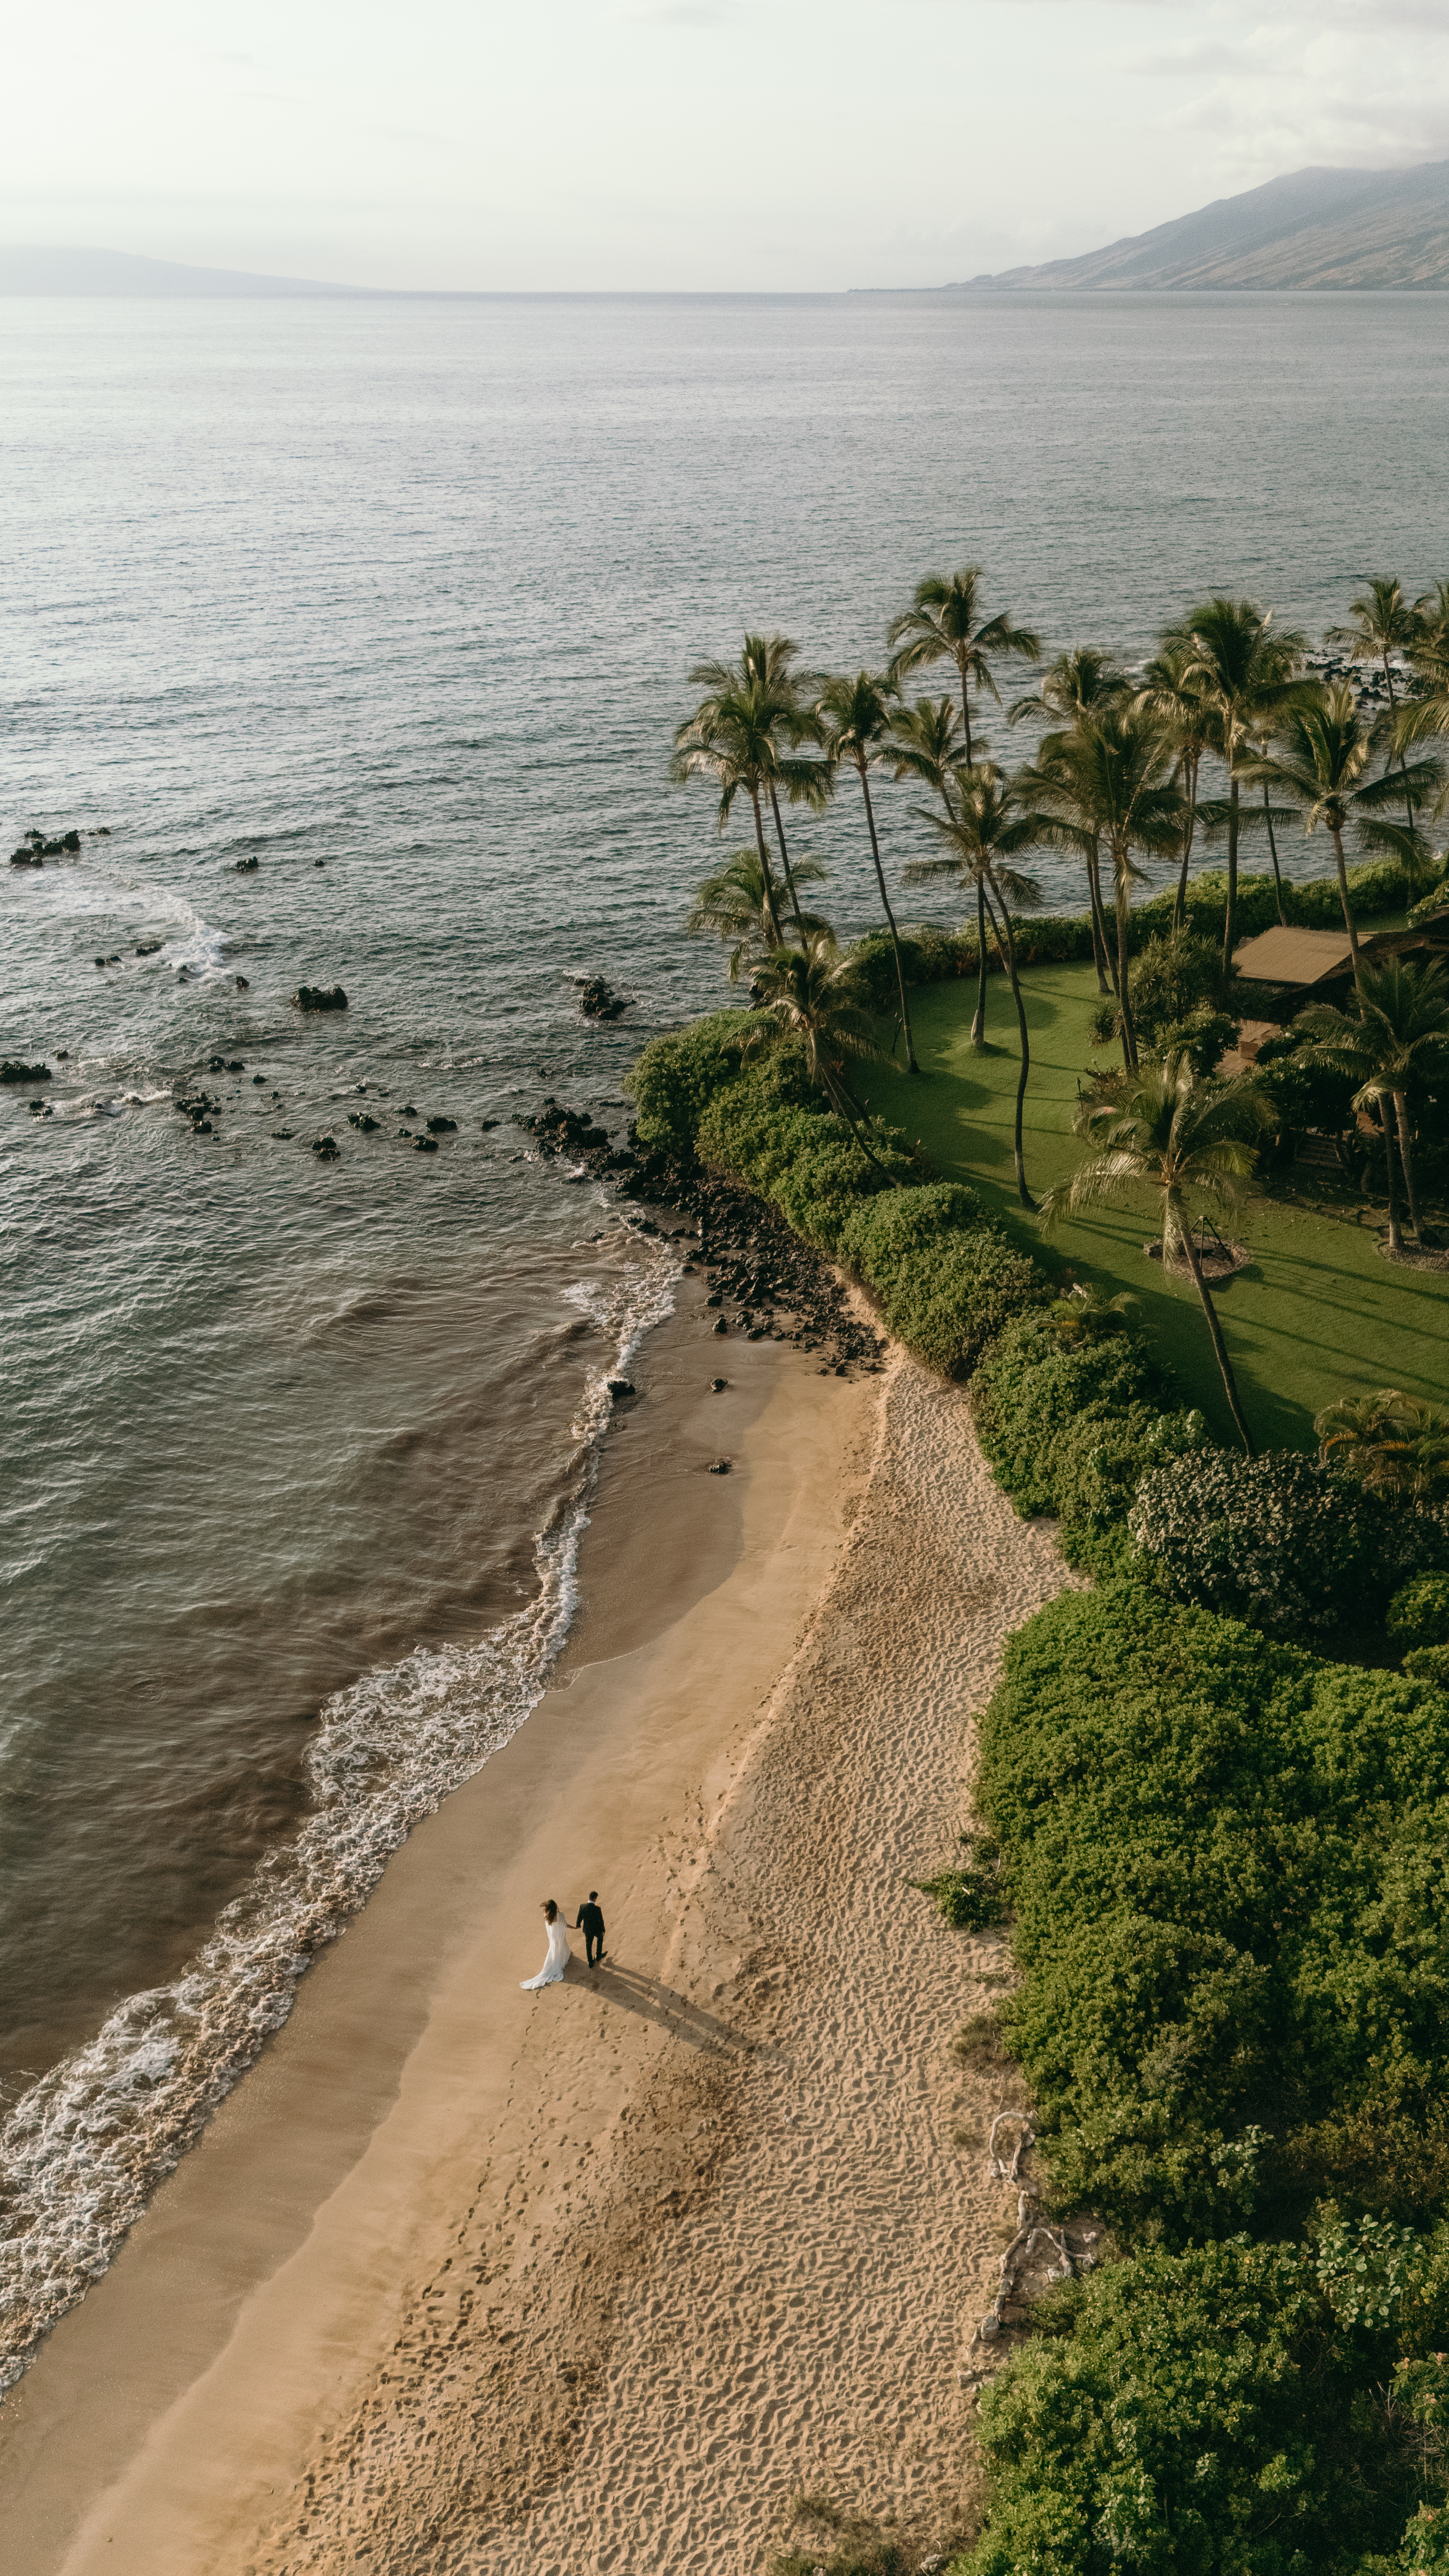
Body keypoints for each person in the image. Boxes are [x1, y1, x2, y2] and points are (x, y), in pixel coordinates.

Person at [520, 1899, 571, 1990]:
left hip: (553, 1937)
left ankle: (553, 1962)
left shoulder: (547, 1916)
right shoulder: (560, 1916)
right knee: (561, 1947)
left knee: (554, 1949)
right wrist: (574, 1928)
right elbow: (565, 1924)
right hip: (559, 1936)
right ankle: (560, 1961)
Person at [575, 1891, 606, 1969]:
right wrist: (603, 1930)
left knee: (589, 1945)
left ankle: (591, 1962)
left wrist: (578, 1925)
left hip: (588, 1930)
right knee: (600, 1938)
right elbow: (601, 1921)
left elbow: (580, 1917)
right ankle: (599, 1955)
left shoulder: (583, 1907)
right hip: (596, 1930)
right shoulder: (598, 1909)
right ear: (595, 1899)